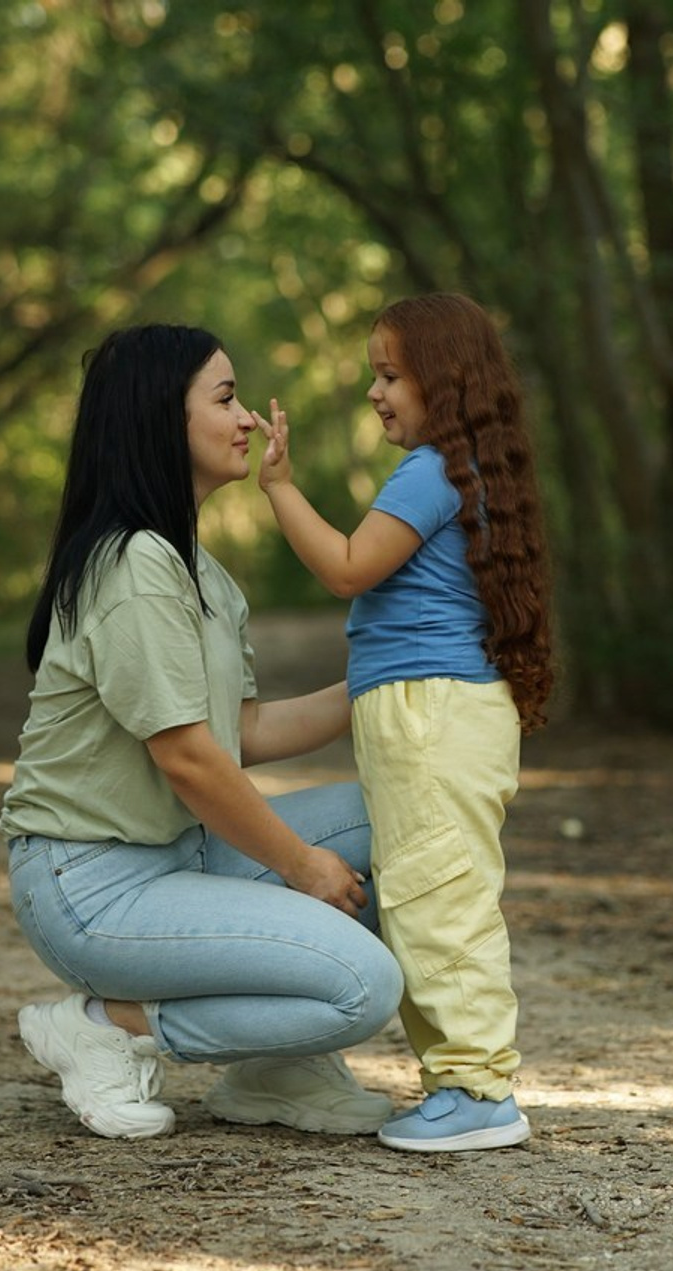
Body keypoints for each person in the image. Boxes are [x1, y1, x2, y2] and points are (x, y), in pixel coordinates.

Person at [0, 323, 404, 1141]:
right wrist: (300, 866)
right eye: (224, 399)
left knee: (398, 809)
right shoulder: (133, 565)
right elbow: (187, 758)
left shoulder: (198, 568)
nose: (250, 418)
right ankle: (112, 1025)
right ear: (160, 420)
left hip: (175, 858)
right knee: (362, 985)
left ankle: (275, 1070)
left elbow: (240, 731)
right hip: (93, 886)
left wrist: (394, 675)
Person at [257, 292, 554, 1152]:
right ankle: (459, 1082)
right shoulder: (457, 470)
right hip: (428, 715)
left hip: (433, 717)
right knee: (425, 893)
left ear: (445, 381)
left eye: (390, 375)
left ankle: (478, 1089)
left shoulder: (429, 473)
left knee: (438, 899)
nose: (375, 393)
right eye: (374, 376)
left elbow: (350, 568)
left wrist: (279, 488)